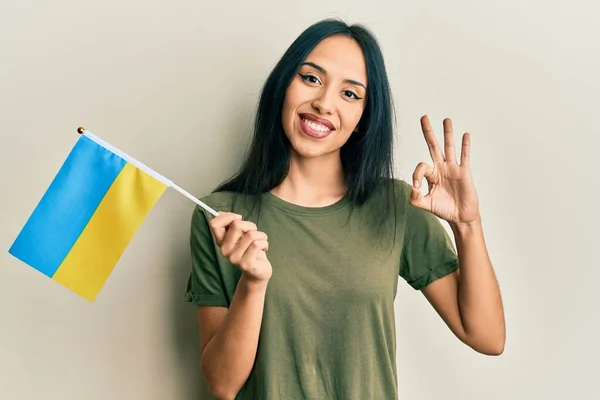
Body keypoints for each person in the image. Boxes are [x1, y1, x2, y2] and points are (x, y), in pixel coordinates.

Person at [184, 18, 505, 400]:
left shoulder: (395, 206)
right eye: (311, 78)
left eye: (350, 94)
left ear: (363, 119)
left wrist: (467, 225)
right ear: (282, 87)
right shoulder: (221, 217)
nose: (324, 102)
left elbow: (487, 337)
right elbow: (223, 384)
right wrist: (253, 284)